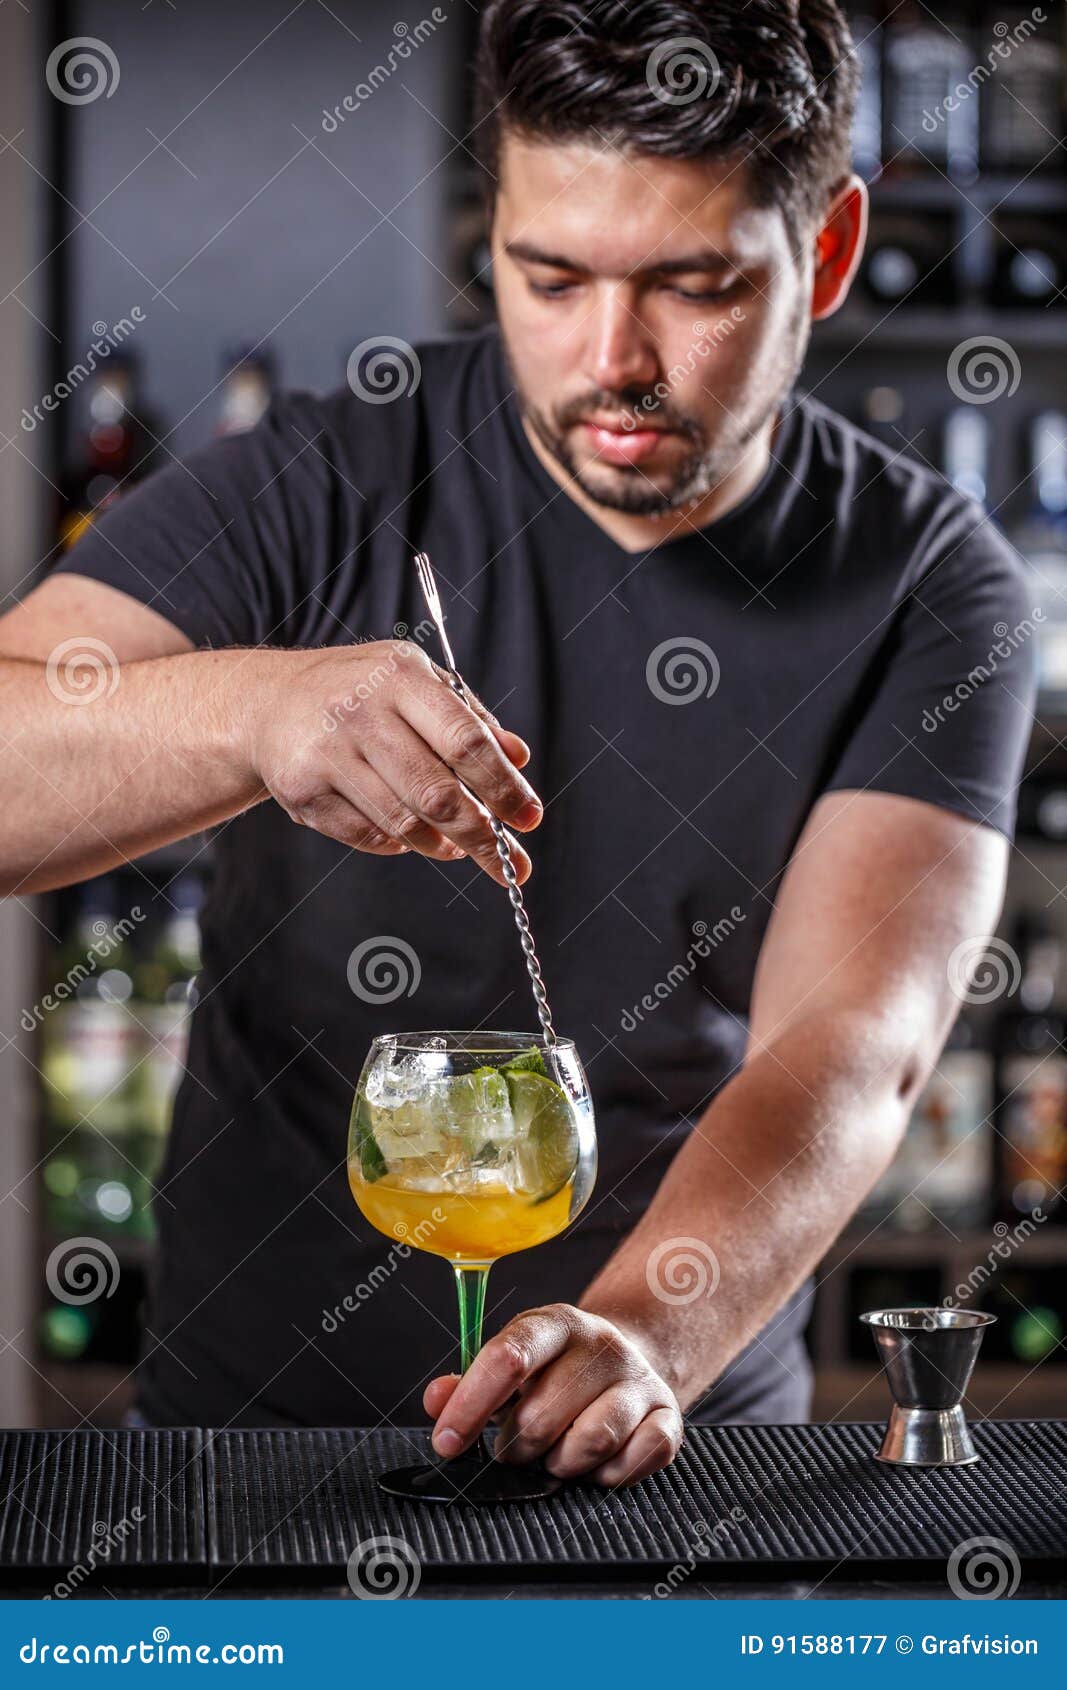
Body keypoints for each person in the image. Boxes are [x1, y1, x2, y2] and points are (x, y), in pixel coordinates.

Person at [0, 0, 1034, 1490]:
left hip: (661, 1456)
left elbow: (851, 1046)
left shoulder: (929, 582)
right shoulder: (328, 475)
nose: (612, 359)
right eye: (549, 277)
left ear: (822, 251)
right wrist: (254, 709)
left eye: (692, 284)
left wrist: (635, 1341)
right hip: (254, 1446)